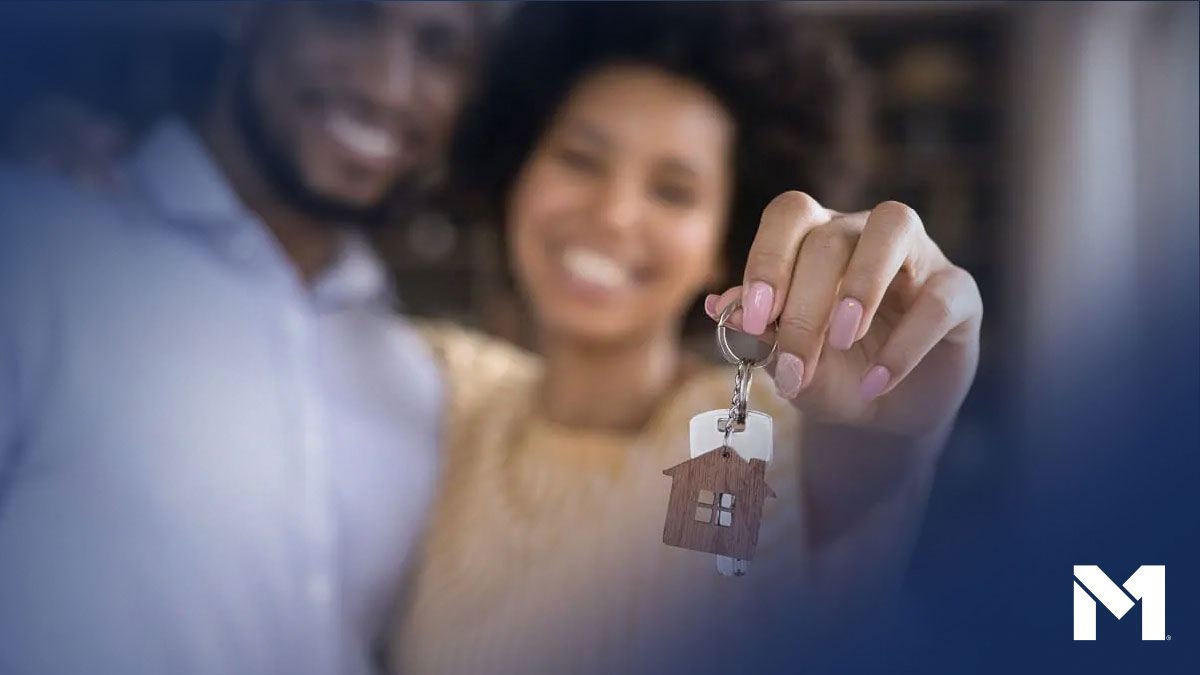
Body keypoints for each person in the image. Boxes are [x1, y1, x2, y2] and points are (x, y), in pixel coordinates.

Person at [390, 4, 982, 673]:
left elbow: (860, 471)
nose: (613, 214)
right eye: (580, 159)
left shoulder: (773, 435)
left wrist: (884, 425)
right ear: (516, 173)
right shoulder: (452, 401)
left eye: (673, 191)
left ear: (722, 242)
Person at [0, 4, 484, 674]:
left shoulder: (421, 382)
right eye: (349, 14)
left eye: (439, 48)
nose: (390, 85)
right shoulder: (38, 251)